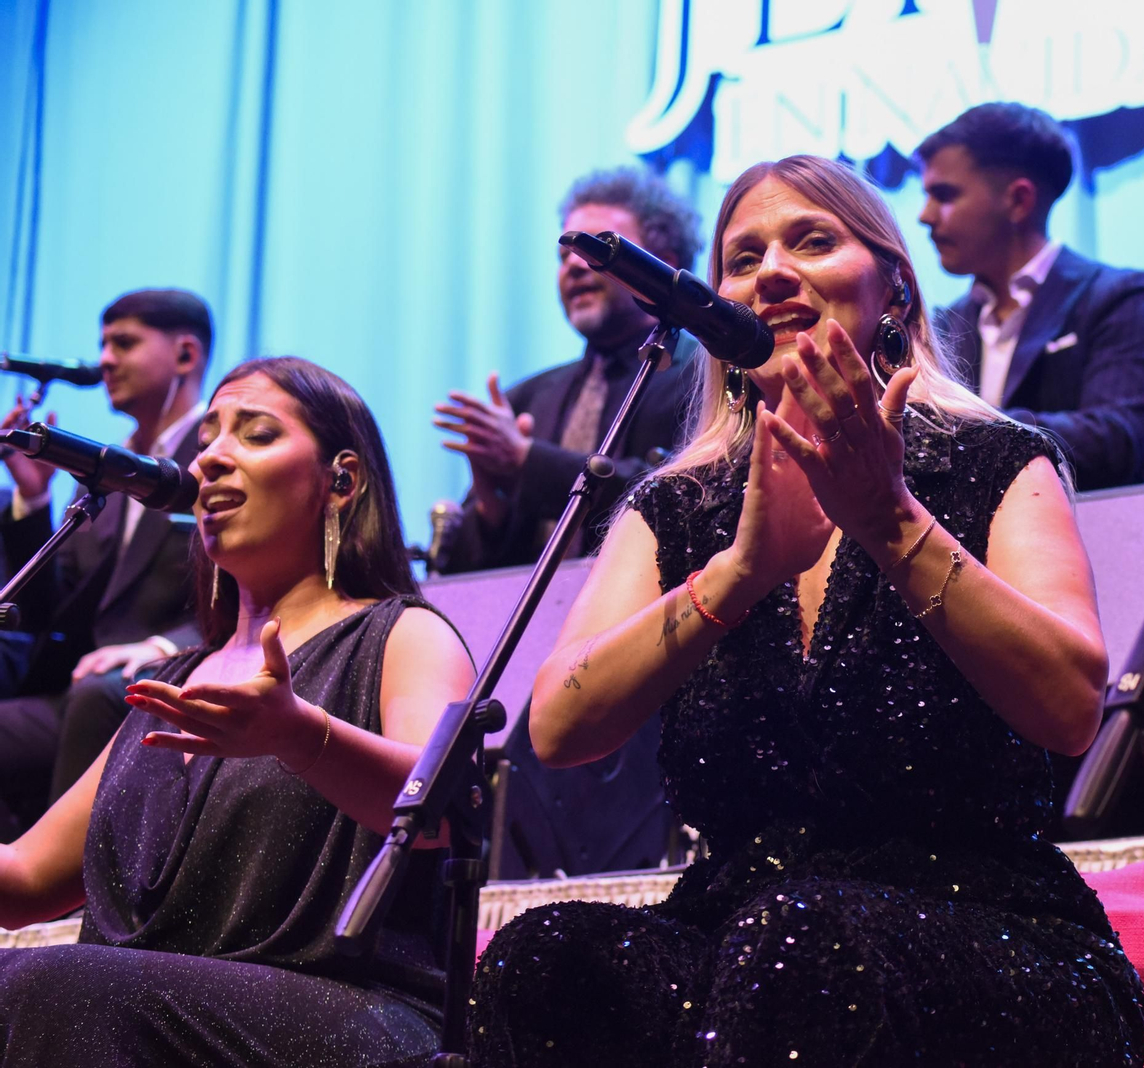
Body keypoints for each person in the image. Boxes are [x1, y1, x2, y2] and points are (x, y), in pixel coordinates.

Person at [469, 155, 1144, 1067]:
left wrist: (888, 520)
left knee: (800, 943)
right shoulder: (679, 505)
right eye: (743, 258)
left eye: (813, 240)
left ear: (895, 289)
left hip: (989, 932)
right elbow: (558, 726)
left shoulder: (997, 461)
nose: (772, 272)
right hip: (740, 930)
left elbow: (1070, 710)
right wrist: (741, 572)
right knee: (544, 960)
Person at [0, 356, 476, 1066]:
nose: (212, 457)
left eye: (254, 435)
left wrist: (299, 735)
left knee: (55, 984)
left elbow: (442, 811)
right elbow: (28, 880)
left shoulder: (403, 634)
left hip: (349, 1018)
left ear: (341, 481)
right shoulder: (173, 679)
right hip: (129, 1006)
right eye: (206, 442)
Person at [0, 289, 211, 840]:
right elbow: (50, 609)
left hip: (163, 677)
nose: (105, 361)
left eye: (124, 343)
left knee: (101, 695)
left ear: (185, 355)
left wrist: (164, 647)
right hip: (78, 688)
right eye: (102, 345)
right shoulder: (108, 467)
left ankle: (55, 903)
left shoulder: (216, 455)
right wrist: (34, 504)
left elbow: (246, 587)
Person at [432, 168, 702, 571]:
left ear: (661, 265)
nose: (573, 267)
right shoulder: (526, 399)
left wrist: (528, 462)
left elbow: (678, 500)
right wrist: (491, 506)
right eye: (563, 257)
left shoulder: (704, 377)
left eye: (594, 251)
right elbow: (464, 575)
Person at [916, 102, 1144, 490]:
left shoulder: (1122, 297)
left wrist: (965, 426)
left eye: (945, 195)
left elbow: (1120, 442)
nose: (925, 215)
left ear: (1019, 200)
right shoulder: (945, 323)